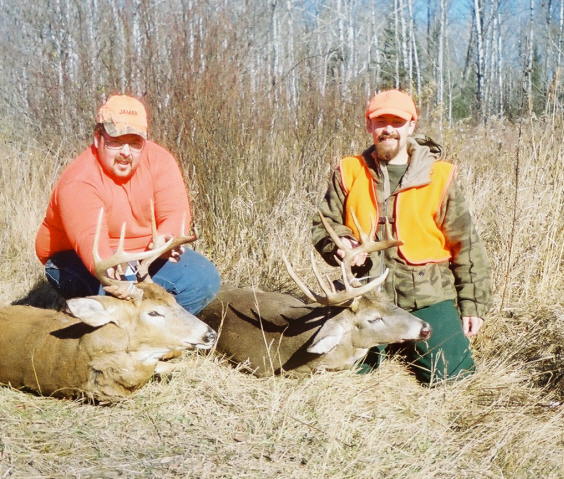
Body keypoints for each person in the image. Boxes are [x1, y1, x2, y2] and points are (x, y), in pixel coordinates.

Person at [312, 89, 491, 385]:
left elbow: (466, 244)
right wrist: (342, 244)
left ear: (411, 125)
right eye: (380, 121)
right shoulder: (349, 171)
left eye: (397, 122)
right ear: (370, 126)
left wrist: (473, 304)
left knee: (450, 375)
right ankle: (392, 344)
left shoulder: (438, 176)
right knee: (346, 372)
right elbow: (323, 224)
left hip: (425, 293)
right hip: (366, 296)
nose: (388, 129)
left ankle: (413, 341)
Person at [35, 94, 220, 314]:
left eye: (134, 143)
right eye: (116, 142)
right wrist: (120, 280)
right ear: (98, 138)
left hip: (143, 255)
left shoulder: (160, 160)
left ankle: (157, 332)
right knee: (115, 296)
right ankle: (120, 331)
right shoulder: (80, 181)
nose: (125, 152)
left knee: (203, 280)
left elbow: (174, 212)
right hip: (77, 259)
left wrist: (166, 239)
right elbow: (92, 246)